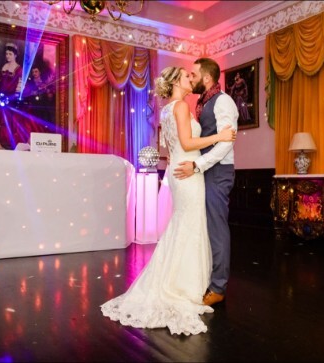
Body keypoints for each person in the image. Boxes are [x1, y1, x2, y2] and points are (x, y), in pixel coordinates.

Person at [101, 66, 237, 335]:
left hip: (178, 171)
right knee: (191, 226)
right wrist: (220, 136)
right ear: (176, 81)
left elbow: (173, 145)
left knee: (183, 225)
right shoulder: (182, 107)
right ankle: (187, 285)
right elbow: (187, 143)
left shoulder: (166, 109)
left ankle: (181, 280)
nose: (191, 78)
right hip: (188, 171)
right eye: (187, 76)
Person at [173, 58, 239, 307]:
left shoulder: (223, 101)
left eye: (194, 74)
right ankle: (204, 277)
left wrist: (198, 165)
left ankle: (219, 287)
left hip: (218, 171)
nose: (191, 78)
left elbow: (226, 142)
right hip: (204, 170)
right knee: (203, 225)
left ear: (207, 78)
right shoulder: (203, 102)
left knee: (216, 226)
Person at [0, 42, 24, 148]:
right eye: (6, 54)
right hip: (1, 96)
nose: (7, 56)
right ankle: (0, 140)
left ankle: (8, 140)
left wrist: (16, 95)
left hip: (11, 98)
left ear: (15, 55)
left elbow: (20, 83)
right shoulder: (4, 66)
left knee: (8, 119)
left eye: (10, 54)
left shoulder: (19, 69)